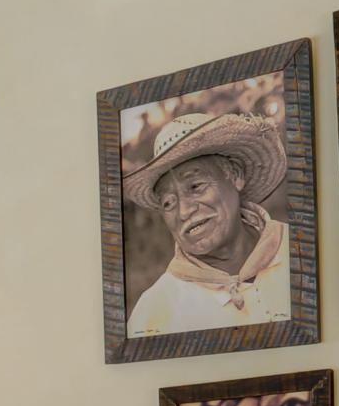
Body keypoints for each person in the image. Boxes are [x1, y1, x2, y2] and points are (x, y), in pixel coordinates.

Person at [124, 111, 292, 339]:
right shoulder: (154, 312)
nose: (184, 211)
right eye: (168, 203)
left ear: (235, 175)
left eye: (195, 186)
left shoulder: (304, 251)